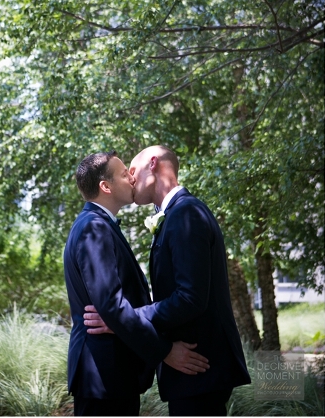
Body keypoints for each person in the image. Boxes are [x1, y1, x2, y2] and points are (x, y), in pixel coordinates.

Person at [87, 145, 251, 416]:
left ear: (154, 164)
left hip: (199, 365)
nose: (130, 179)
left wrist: (124, 320)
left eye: (133, 171)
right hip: (193, 368)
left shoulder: (186, 214)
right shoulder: (178, 214)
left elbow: (190, 298)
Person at [64, 151, 209, 416]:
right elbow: (112, 306)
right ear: (105, 187)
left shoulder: (99, 225)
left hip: (111, 375)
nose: (132, 178)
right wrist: (164, 351)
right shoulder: (93, 228)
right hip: (103, 375)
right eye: (123, 174)